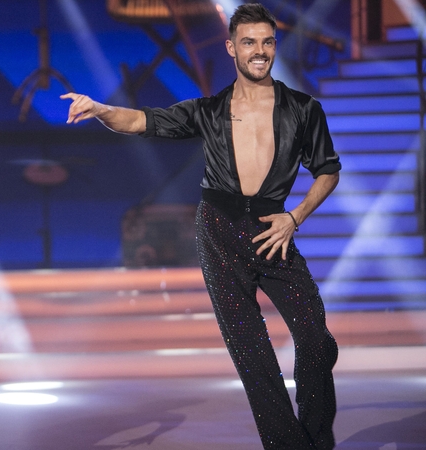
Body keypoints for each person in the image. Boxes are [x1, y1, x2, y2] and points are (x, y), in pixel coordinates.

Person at [62, 3, 340, 449]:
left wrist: (295, 216)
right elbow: (139, 121)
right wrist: (98, 109)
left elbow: (327, 170)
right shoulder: (208, 110)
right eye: (249, 42)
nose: (259, 51)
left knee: (314, 336)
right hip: (219, 231)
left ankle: (316, 437)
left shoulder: (304, 110)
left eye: (267, 42)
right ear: (232, 48)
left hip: (274, 231)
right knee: (252, 356)